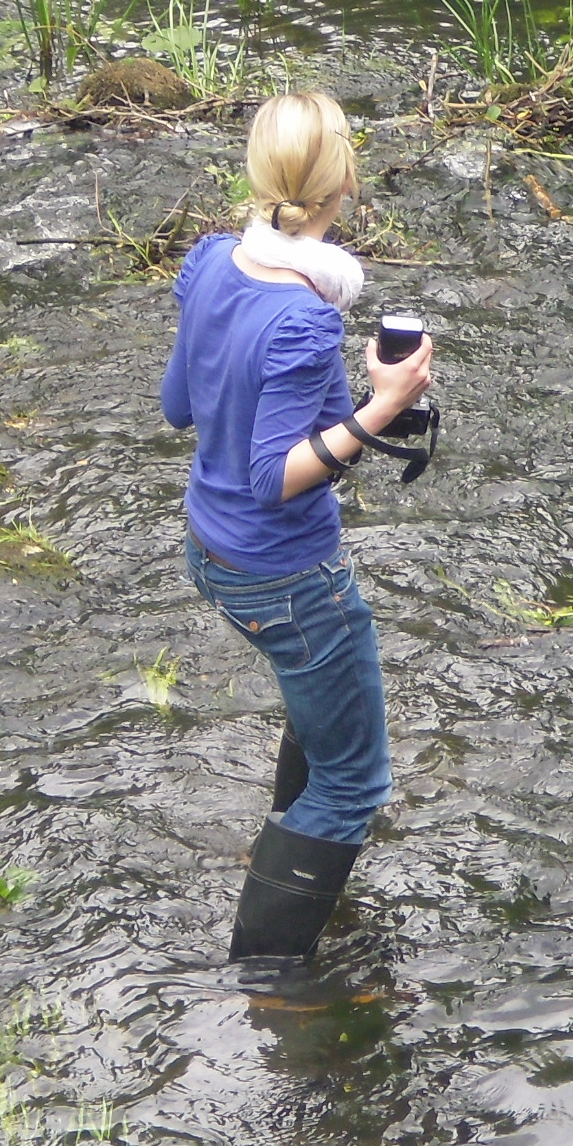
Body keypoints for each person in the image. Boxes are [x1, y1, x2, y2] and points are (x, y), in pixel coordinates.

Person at [161, 92, 435, 960]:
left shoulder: (211, 262)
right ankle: (268, 977)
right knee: (355, 781)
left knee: (321, 715)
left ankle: (286, 851)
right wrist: (382, 408)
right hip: (283, 574)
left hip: (210, 549)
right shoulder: (307, 316)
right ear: (344, 181)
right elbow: (274, 476)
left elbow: (178, 408)